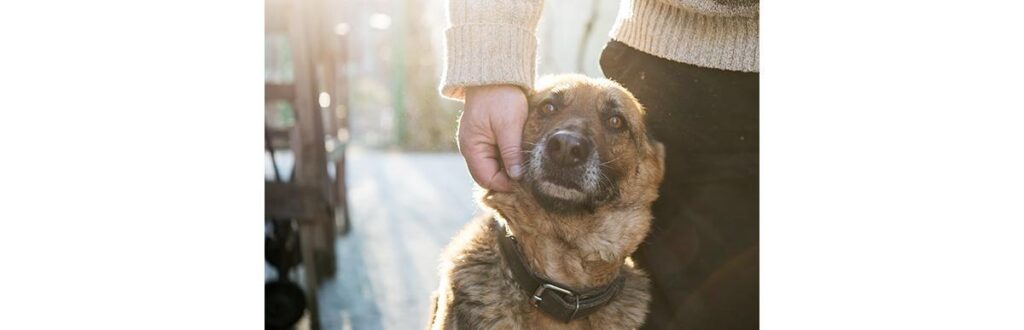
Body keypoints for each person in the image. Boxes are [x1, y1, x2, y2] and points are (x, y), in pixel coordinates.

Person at [439, 0, 759, 328]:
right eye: (548, 109)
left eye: (615, 123)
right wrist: (492, 68)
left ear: (652, 165)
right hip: (662, 63)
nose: (568, 143)